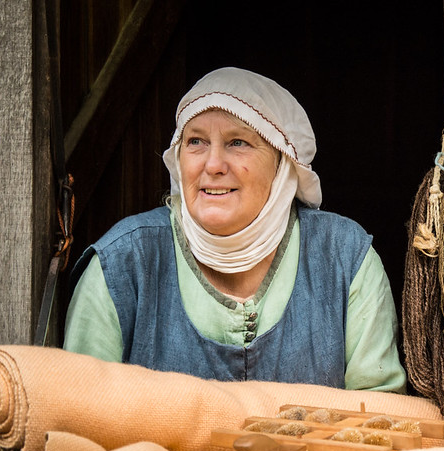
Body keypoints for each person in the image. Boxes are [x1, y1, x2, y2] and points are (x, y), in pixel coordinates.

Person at [64, 67, 406, 392]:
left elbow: (379, 419)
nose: (212, 165)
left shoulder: (344, 258)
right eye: (196, 141)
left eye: (237, 142)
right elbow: (81, 417)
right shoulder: (123, 263)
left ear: (283, 162)